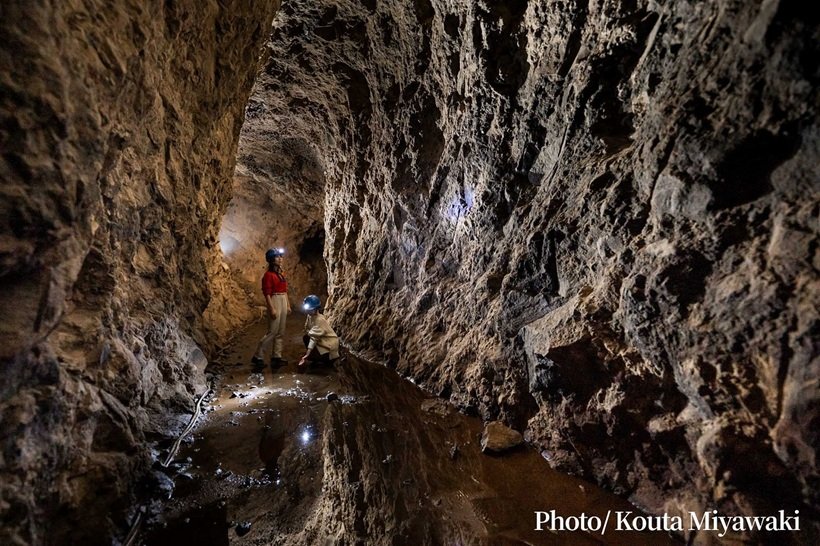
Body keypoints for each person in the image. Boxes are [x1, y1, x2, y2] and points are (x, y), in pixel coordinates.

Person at [251, 248, 291, 368]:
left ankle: (276, 357)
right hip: (275, 300)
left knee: (280, 331)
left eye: (281, 256)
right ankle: (258, 356)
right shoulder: (268, 275)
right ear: (271, 260)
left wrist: (288, 304)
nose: (280, 259)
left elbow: (285, 291)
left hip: (282, 299)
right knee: (272, 331)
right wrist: (272, 308)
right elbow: (267, 293)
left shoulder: (281, 274)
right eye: (277, 257)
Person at [298, 294, 340, 370]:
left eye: (310, 309)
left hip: (330, 346)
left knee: (310, 343)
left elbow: (313, 338)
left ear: (316, 309)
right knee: (306, 337)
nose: (308, 311)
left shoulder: (319, 320)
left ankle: (328, 360)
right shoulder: (310, 316)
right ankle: (317, 357)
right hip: (322, 341)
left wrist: (307, 355)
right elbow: (307, 328)